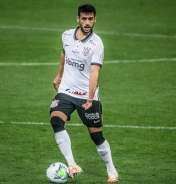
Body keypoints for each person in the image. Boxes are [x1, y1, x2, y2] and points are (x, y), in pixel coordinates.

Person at [49, 4, 119, 182]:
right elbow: (64, 55)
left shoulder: (97, 44)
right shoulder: (66, 35)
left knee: (96, 135)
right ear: (78, 19)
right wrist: (59, 75)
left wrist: (89, 97)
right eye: (84, 18)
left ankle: (111, 170)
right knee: (56, 120)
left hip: (86, 95)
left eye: (90, 19)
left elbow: (95, 72)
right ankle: (72, 164)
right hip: (65, 91)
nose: (87, 22)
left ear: (95, 19)